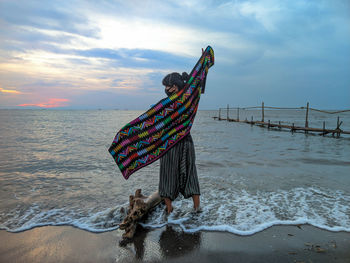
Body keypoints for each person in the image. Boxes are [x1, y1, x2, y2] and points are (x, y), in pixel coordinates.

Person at [159, 72, 201, 214]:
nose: (165, 89)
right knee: (190, 174)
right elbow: (197, 86)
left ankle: (169, 210)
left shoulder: (165, 105)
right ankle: (197, 210)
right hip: (186, 142)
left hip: (169, 145)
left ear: (175, 87)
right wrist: (202, 67)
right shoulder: (189, 101)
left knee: (167, 176)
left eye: (167, 86)